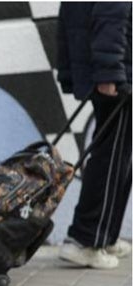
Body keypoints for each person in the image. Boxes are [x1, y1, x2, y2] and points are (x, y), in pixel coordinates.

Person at [57, 2, 132, 269]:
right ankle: (85, 240)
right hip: (117, 74)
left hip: (113, 70)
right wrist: (110, 72)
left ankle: (104, 235)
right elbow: (110, 14)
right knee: (111, 157)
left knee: (119, 157)